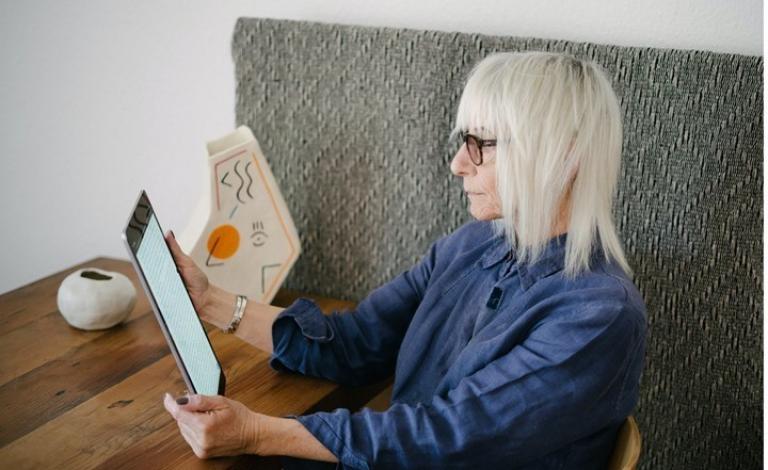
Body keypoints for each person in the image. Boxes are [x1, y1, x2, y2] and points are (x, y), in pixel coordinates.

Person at [163, 51, 647, 469]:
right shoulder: (473, 245)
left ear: (562, 156)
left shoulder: (597, 316)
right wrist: (210, 301)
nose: (457, 163)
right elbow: (356, 342)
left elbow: (447, 436)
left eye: (480, 145)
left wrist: (256, 434)